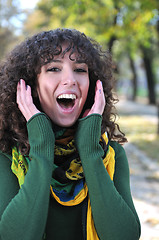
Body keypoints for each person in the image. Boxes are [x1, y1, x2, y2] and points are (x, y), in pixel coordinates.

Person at [0, 28, 141, 240]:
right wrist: (41, 147)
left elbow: (124, 236)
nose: (70, 80)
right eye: (54, 68)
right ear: (31, 87)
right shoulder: (7, 155)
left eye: (80, 70)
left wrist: (90, 151)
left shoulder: (111, 154)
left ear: (94, 86)